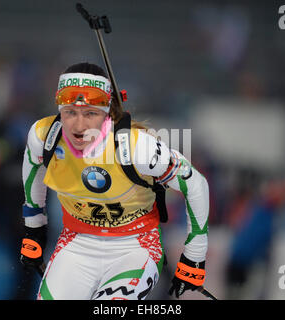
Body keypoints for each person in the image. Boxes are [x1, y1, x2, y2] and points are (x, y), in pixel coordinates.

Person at [19, 62, 210, 300]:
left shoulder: (138, 147)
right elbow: (32, 169)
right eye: (70, 112)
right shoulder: (43, 135)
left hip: (133, 248)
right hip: (77, 245)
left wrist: (194, 254)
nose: (79, 126)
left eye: (90, 113)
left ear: (107, 111)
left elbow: (195, 182)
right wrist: (34, 229)